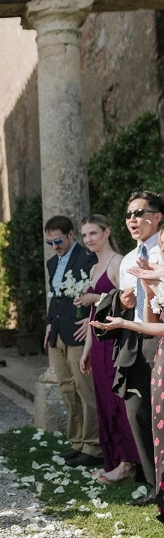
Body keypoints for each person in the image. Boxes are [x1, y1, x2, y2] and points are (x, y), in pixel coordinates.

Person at [92, 223, 164, 517]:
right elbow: (154, 319)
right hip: (153, 352)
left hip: (156, 349)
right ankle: (156, 488)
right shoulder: (141, 264)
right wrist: (126, 317)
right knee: (148, 419)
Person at [78, 215, 141, 484]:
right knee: (104, 400)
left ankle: (130, 464)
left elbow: (127, 300)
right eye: (84, 235)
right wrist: (86, 349)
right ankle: (114, 461)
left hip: (116, 343)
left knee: (119, 401)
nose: (88, 239)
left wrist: (98, 297)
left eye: (93, 233)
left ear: (107, 232)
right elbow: (94, 313)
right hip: (99, 344)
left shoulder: (118, 262)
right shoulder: (94, 267)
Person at [110, 192, 164, 504]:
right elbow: (123, 300)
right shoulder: (129, 259)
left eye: (139, 212)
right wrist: (123, 302)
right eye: (128, 214)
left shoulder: (162, 251)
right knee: (137, 412)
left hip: (161, 336)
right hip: (137, 339)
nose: (132, 219)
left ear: (157, 216)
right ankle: (156, 487)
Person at [43, 215, 100, 468]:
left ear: (70, 235)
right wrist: (48, 324)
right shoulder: (51, 263)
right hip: (56, 333)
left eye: (58, 240)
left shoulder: (88, 258)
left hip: (78, 333)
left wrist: (89, 320)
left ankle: (93, 445)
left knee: (85, 388)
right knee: (67, 388)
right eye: (50, 242)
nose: (55, 246)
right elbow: (54, 297)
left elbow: (98, 292)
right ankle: (77, 442)